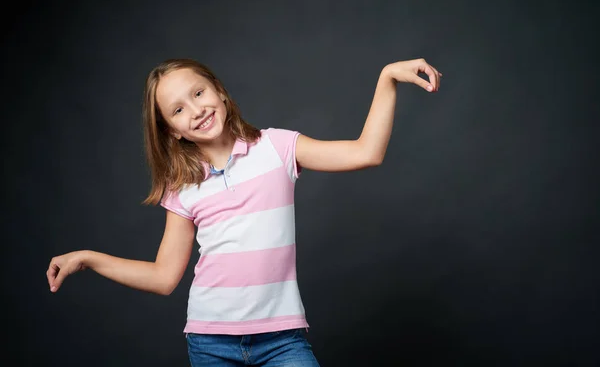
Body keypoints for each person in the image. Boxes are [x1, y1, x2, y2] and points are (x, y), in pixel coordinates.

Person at [47, 57, 442, 366]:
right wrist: (89, 259)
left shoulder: (278, 147)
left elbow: (366, 152)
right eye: (178, 110)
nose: (196, 110)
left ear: (219, 91)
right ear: (172, 131)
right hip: (210, 342)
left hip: (282, 338)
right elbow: (165, 277)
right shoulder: (181, 187)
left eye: (198, 94)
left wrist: (387, 77)